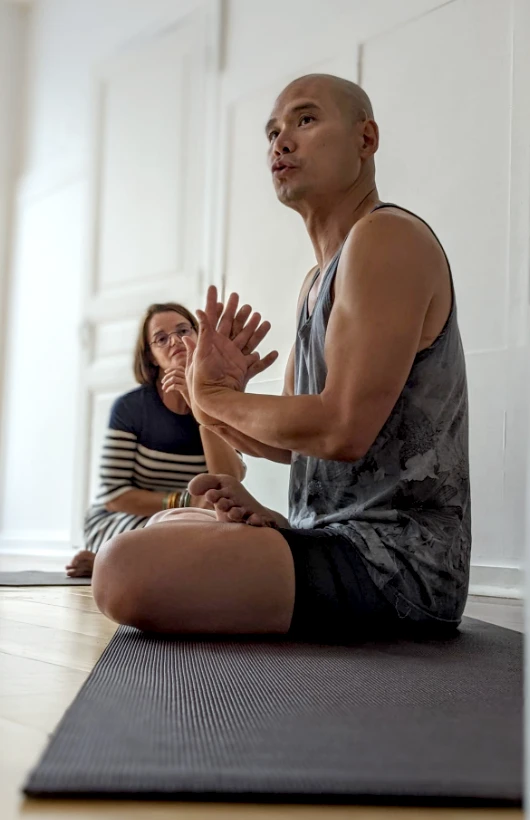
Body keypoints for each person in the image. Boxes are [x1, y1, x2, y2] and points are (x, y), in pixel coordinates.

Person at [92, 74, 471, 642]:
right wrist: (216, 402)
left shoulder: (387, 238)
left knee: (123, 569)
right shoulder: (317, 280)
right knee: (167, 522)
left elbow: (341, 428)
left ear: (366, 140)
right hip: (334, 536)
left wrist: (215, 399)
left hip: (404, 566)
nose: (281, 141)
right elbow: (288, 443)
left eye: (305, 120)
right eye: (272, 131)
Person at [66, 302, 245, 577]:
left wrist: (200, 403)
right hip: (125, 518)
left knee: (231, 532)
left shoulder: (222, 401)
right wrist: (184, 502)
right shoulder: (130, 408)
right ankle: (112, 559)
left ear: (198, 337)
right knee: (172, 535)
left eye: (183, 330)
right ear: (151, 356)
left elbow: (230, 479)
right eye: (161, 338)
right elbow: (115, 497)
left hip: (193, 520)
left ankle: (113, 562)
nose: (175, 340)